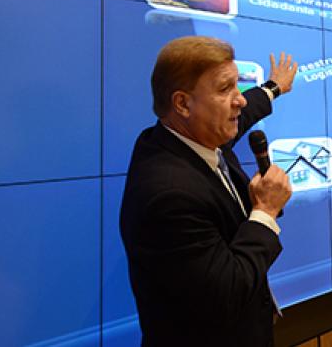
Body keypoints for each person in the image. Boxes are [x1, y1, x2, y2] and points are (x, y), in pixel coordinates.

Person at [120, 36, 297, 346]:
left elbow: (246, 112)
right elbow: (225, 296)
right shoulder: (169, 196)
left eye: (237, 86)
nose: (239, 100)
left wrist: (273, 87)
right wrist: (265, 212)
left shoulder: (183, 136)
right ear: (183, 103)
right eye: (224, 89)